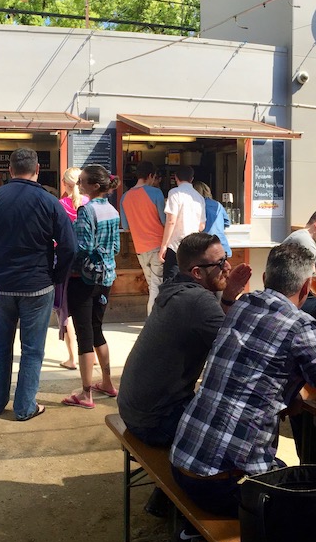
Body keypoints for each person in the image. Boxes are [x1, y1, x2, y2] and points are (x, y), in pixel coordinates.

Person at [171, 242, 316, 513]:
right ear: (306, 288)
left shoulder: (243, 304)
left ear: (266, 279)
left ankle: (191, 532)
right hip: (224, 483)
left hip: (183, 460)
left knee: (284, 471)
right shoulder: (300, 325)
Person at [0, 147, 78, 421]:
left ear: (10, 170)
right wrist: (56, 275)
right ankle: (24, 407)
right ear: (38, 170)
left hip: (1, 286)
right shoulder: (49, 201)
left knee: (0, 347)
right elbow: (68, 246)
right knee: (32, 350)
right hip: (37, 285)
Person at [120, 232, 251, 447]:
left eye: (226, 258)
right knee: (245, 426)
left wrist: (228, 296)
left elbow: (223, 337)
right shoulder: (197, 300)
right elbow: (238, 353)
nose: (227, 267)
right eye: (220, 263)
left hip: (135, 412)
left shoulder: (175, 290)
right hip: (156, 422)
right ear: (197, 272)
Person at [60, 165, 121, 410]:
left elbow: (82, 246)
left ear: (95, 186)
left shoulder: (86, 210)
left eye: (83, 180)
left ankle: (85, 393)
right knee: (97, 330)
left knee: (84, 334)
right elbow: (115, 247)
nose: (79, 184)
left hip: (83, 277)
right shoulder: (112, 210)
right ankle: (106, 382)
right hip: (106, 278)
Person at [120, 162, 167, 312]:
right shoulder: (156, 193)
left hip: (140, 248)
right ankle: (153, 322)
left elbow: (126, 227)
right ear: (151, 176)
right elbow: (164, 220)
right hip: (158, 246)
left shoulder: (125, 197)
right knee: (156, 287)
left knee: (152, 285)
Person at [55, 167, 86, 370]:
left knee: (66, 313)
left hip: (65, 263)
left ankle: (72, 357)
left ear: (65, 184)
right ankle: (85, 358)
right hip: (86, 266)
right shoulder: (90, 204)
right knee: (84, 313)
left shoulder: (60, 205)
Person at [158, 170, 206, 283]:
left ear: (176, 178)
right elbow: (202, 226)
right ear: (192, 179)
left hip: (175, 246)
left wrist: (163, 246)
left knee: (171, 283)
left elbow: (171, 221)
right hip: (193, 247)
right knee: (190, 282)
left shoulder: (174, 193)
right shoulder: (199, 197)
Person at [194, 180, 231, 258]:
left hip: (205, 247)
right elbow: (227, 222)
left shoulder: (196, 206)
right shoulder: (218, 205)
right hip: (222, 245)